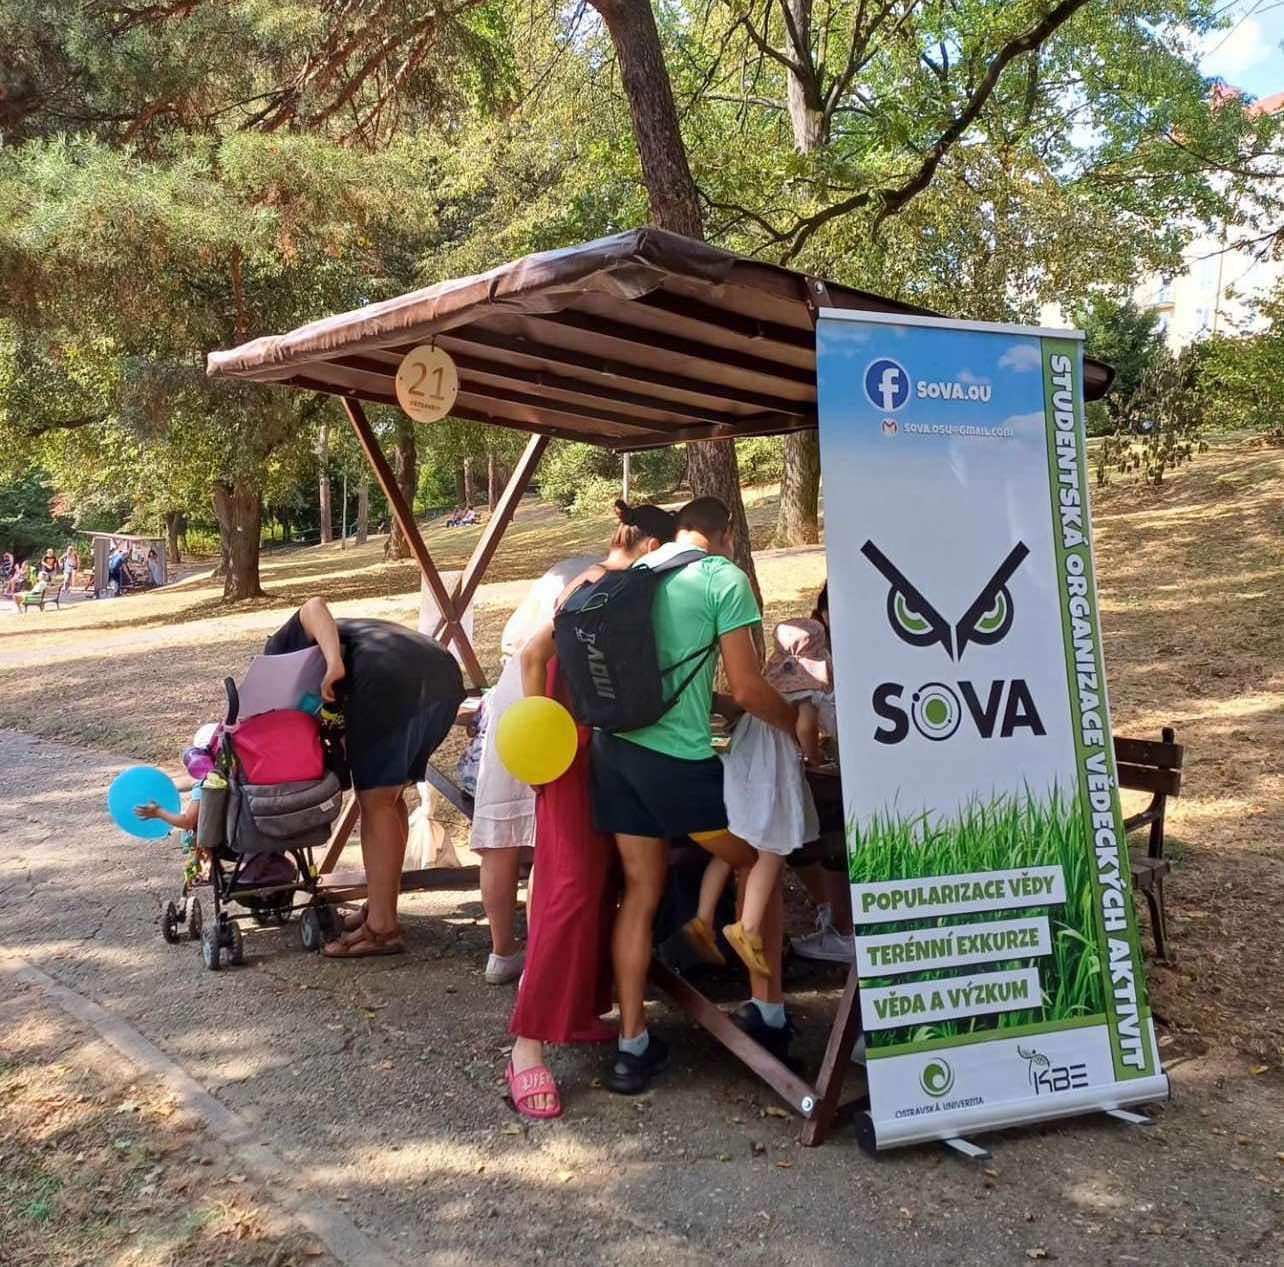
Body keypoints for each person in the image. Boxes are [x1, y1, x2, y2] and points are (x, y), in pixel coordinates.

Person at [590, 496, 803, 1094]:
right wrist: (795, 724)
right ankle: (767, 1013)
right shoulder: (722, 577)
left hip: (614, 753)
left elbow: (665, 677)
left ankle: (632, 1046)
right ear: (724, 534)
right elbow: (751, 686)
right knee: (760, 852)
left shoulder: (639, 570)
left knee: (640, 893)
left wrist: (722, 704)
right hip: (677, 765)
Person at [497, 502, 678, 1118]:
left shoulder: (624, 587)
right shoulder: (594, 586)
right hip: (569, 757)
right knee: (569, 890)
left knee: (603, 888)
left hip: (608, 754)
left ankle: (576, 1013)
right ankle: (526, 1045)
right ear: (651, 545)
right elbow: (532, 656)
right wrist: (544, 746)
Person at [263, 597, 465, 958]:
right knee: (389, 798)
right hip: (442, 672)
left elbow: (313, 607)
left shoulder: (276, 655)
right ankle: (380, 907)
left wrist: (334, 662)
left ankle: (382, 929)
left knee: (376, 801)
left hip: (388, 678)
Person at [680, 595, 834, 977]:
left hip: (742, 764)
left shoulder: (769, 681)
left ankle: (703, 918)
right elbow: (805, 727)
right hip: (772, 771)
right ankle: (746, 928)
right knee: (774, 849)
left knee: (736, 845)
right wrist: (813, 755)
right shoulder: (806, 688)